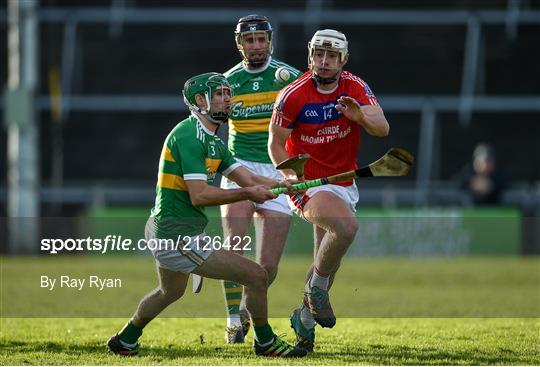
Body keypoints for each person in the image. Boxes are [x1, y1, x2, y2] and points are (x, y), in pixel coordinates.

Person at [107, 72, 306, 358]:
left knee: (170, 292)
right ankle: (265, 342)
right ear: (200, 101)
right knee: (257, 276)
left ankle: (125, 339)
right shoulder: (189, 136)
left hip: (169, 230)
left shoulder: (212, 140)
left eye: (228, 93)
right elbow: (200, 195)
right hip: (177, 236)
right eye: (220, 94)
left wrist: (282, 183)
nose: (228, 100)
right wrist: (249, 194)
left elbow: (246, 177)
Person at [268, 29, 390, 352]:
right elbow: (275, 144)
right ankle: (316, 291)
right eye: (318, 55)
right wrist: (290, 174)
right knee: (346, 227)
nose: (324, 62)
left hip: (343, 183)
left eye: (331, 56)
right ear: (310, 56)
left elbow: (382, 127)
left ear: (343, 59)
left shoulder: (355, 87)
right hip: (307, 183)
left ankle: (304, 324)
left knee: (327, 259)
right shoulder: (293, 95)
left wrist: (359, 115)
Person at [219, 14, 302, 343]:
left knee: (267, 269)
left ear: (270, 42)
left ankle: (247, 312)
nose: (256, 47)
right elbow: (208, 129)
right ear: (239, 44)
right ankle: (233, 320)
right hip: (238, 169)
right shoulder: (226, 82)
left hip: (278, 171)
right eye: (249, 41)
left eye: (261, 40)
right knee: (233, 252)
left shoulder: (288, 78)